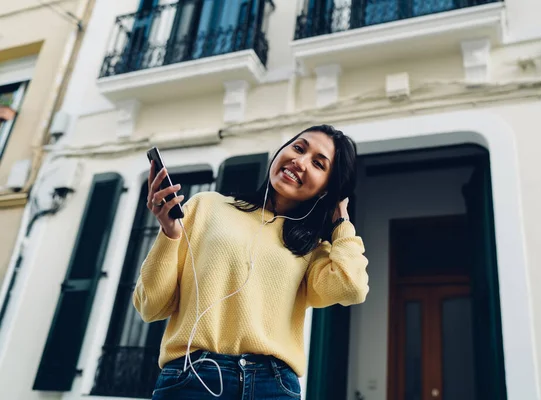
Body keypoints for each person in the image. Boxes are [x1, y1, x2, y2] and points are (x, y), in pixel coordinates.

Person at [134, 124, 369, 399]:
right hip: (193, 378)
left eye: (318, 163)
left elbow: (351, 287)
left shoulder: (312, 249)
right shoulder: (207, 206)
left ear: (326, 190)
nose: (300, 162)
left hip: (273, 384)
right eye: (298, 148)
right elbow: (151, 306)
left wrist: (341, 218)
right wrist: (170, 233)